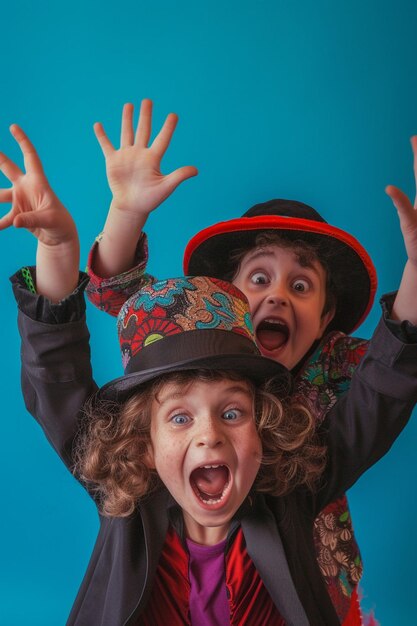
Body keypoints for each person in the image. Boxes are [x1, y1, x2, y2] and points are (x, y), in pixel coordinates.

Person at [2, 124, 417, 626]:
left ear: (266, 427)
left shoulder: (298, 469)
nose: (208, 436)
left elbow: (385, 385)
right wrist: (65, 244)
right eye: (179, 418)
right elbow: (60, 373)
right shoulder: (128, 477)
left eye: (233, 411)